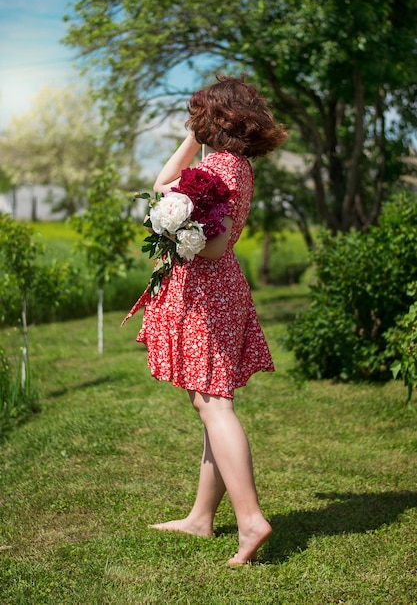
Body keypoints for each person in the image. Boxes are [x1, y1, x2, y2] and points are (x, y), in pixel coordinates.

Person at [133, 76, 287, 564]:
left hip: (207, 294)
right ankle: (202, 518)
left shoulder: (218, 168)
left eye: (197, 114)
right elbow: (163, 189)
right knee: (211, 404)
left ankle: (250, 520)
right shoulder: (233, 164)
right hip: (223, 291)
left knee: (213, 406)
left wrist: (179, 234)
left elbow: (209, 239)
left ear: (216, 118)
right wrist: (194, 140)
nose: (191, 120)